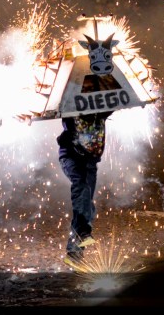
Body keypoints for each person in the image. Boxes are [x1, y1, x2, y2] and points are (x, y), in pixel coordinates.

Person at [57, 110, 113, 264]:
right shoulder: (71, 104)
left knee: (86, 203)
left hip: (90, 161)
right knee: (82, 188)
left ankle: (74, 254)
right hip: (71, 157)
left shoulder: (100, 107)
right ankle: (82, 232)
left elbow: (116, 100)